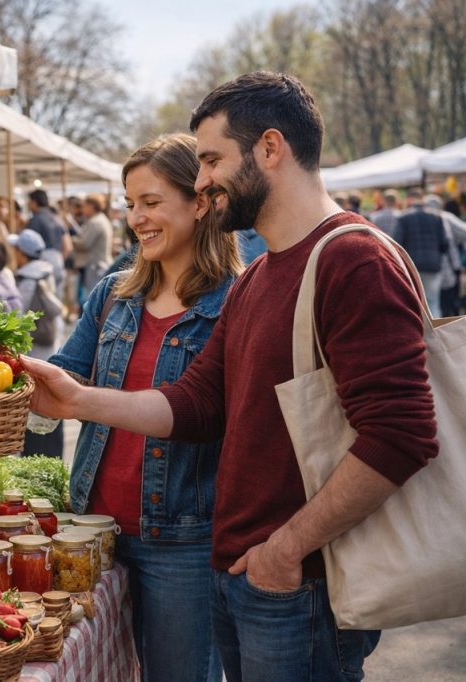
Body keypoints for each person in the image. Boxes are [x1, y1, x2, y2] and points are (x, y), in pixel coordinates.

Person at [23, 72, 437, 680]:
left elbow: (402, 434)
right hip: (244, 575)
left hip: (297, 587)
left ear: (270, 149)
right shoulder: (259, 278)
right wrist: (79, 399)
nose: (202, 179)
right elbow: (195, 405)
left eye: (212, 159)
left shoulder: (352, 258)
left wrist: (287, 548)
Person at [48, 133, 239, 681]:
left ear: (199, 202)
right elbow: (67, 373)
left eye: (152, 202)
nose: (137, 218)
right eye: (130, 204)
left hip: (183, 541)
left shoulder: (234, 302)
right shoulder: (114, 294)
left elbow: (221, 416)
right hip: (93, 530)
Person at [11, 228, 65, 459]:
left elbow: (17, 316)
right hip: (52, 346)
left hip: (33, 350)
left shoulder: (26, 279)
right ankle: (49, 456)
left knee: (34, 406)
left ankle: (35, 455)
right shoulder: (48, 271)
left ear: (22, 253)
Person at [394, 187, 449, 315]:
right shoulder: (436, 216)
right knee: (433, 302)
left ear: (409, 199)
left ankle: (418, 333)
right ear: (423, 198)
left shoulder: (403, 218)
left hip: (411, 265)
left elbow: (397, 243)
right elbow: (444, 243)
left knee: (413, 302)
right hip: (432, 264)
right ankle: (435, 333)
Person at [71, 195, 114, 302]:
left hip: (95, 267)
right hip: (97, 266)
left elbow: (84, 244)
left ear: (91, 206)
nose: (82, 209)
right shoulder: (99, 219)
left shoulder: (96, 222)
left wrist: (70, 239)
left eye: (84, 206)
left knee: (92, 300)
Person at [25, 189, 68, 294]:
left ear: (34, 202)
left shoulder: (35, 220)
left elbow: (29, 247)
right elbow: (68, 246)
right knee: (57, 303)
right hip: (59, 262)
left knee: (44, 304)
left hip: (42, 265)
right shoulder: (58, 219)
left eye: (29, 201)